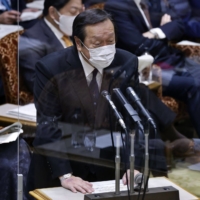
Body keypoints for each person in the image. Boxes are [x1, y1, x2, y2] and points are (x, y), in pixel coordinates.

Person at [27, 8, 185, 194]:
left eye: (110, 41)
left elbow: (132, 120)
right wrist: (66, 175)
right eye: (97, 43)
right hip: (64, 162)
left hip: (109, 161)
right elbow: (48, 124)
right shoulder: (51, 68)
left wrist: (133, 165)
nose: (105, 48)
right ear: (79, 43)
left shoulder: (127, 62)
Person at [104, 0, 200, 137]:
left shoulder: (154, 2)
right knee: (194, 85)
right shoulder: (117, 6)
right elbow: (138, 45)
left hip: (171, 58)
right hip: (148, 68)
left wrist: (157, 32)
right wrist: (166, 33)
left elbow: (179, 24)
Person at [19, 0, 84, 94]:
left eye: (81, 11)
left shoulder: (73, 31)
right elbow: (36, 84)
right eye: (73, 12)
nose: (78, 17)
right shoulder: (32, 39)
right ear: (53, 12)